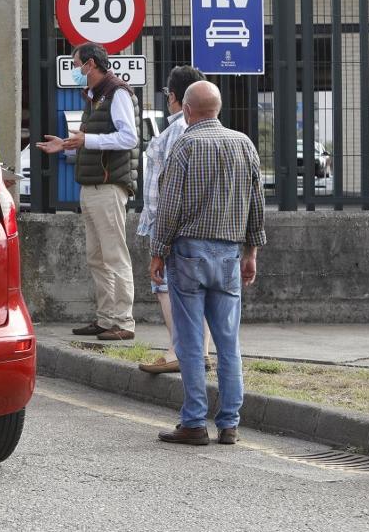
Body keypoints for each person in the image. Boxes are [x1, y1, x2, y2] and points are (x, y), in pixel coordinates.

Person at [151, 80, 265, 447]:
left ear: (186, 110)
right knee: (228, 342)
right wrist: (251, 252)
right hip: (229, 253)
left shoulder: (184, 145)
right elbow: (256, 204)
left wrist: (158, 249)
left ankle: (194, 421)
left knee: (189, 340)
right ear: (218, 109)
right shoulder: (244, 144)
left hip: (188, 253)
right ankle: (230, 423)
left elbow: (168, 208)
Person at [35, 43, 140, 341]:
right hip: (92, 186)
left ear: (90, 64)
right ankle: (106, 318)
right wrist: (67, 143)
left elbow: (128, 137)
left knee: (114, 255)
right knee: (96, 257)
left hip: (108, 187)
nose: (75, 70)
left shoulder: (117, 92)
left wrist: (86, 140)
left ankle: (123, 321)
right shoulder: (95, 96)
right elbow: (91, 137)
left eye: (76, 64)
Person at [135, 66, 213, 374]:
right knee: (200, 290)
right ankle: (201, 351)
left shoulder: (174, 133)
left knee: (166, 288)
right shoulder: (211, 131)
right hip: (203, 223)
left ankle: (177, 350)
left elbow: (163, 189)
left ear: (173, 97)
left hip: (172, 224)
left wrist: (157, 233)